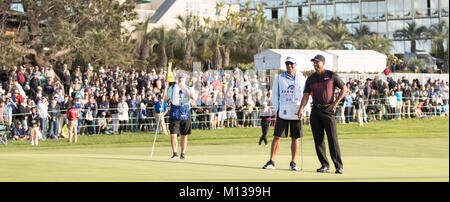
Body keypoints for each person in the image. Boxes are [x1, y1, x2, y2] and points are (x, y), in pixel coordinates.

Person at [298, 54, 347, 174]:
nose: (315, 64)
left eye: (317, 62)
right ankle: (324, 165)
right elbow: (305, 95)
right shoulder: (311, 79)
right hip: (315, 110)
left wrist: (335, 103)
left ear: (323, 63)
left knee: (332, 139)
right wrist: (301, 108)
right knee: (318, 139)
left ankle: (338, 166)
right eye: (314, 62)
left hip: (328, 110)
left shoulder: (331, 75)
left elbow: (344, 89)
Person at [262, 56, 306, 171]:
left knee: (295, 138)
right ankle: (271, 161)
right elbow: (275, 95)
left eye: (291, 64)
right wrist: (278, 108)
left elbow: (305, 94)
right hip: (283, 111)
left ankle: (293, 163)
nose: (289, 66)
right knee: (277, 136)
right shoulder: (279, 78)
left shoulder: (301, 77)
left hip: (297, 111)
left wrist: (304, 109)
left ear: (295, 65)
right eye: (287, 64)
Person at [166, 72, 196, 160]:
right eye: (179, 77)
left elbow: (194, 97)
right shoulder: (172, 88)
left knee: (184, 135)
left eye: (182, 78)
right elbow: (166, 99)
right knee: (173, 134)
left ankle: (182, 154)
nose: (180, 79)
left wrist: (186, 90)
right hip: (175, 111)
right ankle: (175, 153)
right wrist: (166, 88)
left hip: (185, 111)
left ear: (185, 79)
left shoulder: (189, 88)